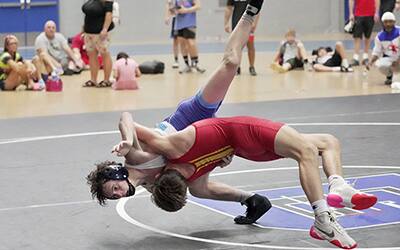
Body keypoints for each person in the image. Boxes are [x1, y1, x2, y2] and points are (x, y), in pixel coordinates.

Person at [87, 0, 273, 225]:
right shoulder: (151, 185)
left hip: (191, 117)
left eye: (114, 188)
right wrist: (215, 159)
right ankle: (253, 200)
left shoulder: (134, 156)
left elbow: (125, 117)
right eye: (113, 196)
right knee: (198, 189)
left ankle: (249, 12)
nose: (118, 195)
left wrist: (127, 140)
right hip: (199, 143)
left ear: (117, 173)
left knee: (230, 64)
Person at [131, 115, 375, 249]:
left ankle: (338, 185)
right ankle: (323, 217)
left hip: (247, 148)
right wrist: (133, 168)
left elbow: (132, 127)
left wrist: (133, 171)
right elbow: (130, 124)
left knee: (326, 142)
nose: (185, 170)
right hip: (244, 132)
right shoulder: (177, 154)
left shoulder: (186, 172)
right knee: (307, 152)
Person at [82, 0, 114, 87]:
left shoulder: (107, 1)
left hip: (100, 33)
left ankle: (106, 80)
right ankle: (93, 80)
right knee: (92, 55)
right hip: (89, 32)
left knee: (104, 54)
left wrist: (105, 29)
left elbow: (109, 14)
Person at [225, 0, 260, 76]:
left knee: (250, 45)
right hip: (236, 24)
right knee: (236, 47)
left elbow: (257, 10)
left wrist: (255, 23)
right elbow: (228, 8)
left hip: (249, 23)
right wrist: (226, 22)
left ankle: (251, 67)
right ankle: (237, 68)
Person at [172, 0, 206, 74]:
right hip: (179, 23)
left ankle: (196, 63)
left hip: (190, 23)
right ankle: (187, 65)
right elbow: (174, 9)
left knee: (191, 43)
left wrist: (186, 10)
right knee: (182, 43)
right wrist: (174, 11)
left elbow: (198, 6)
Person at [367, 12, 400, 85]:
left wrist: (398, 60)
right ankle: (389, 76)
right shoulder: (379, 37)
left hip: (399, 58)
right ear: (382, 23)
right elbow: (377, 52)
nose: (388, 24)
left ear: (394, 22)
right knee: (380, 64)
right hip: (391, 58)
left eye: (390, 22)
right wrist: (370, 61)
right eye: (386, 22)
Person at [349, 0, 380, 66]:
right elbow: (351, 0)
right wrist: (351, 13)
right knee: (357, 36)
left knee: (367, 36)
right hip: (358, 14)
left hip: (370, 14)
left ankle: (365, 57)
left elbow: (377, 0)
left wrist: (376, 12)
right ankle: (356, 58)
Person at [165, 0, 186, 69]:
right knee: (175, 40)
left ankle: (188, 61)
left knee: (186, 40)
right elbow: (169, 5)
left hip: (186, 17)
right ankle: (176, 60)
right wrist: (167, 16)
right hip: (176, 18)